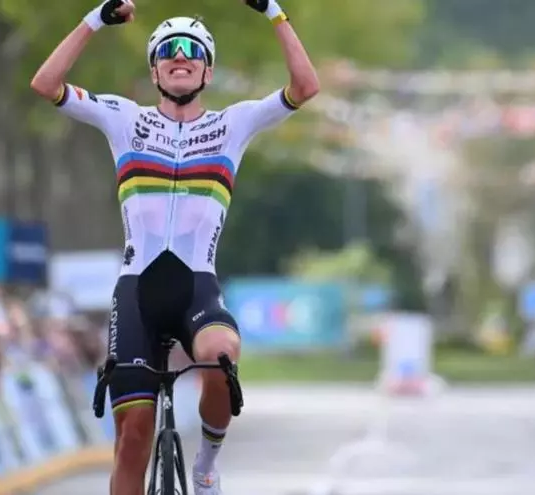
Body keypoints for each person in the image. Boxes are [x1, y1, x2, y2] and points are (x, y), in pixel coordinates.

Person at [32, 0, 318, 493]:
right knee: (132, 437)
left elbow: (305, 87)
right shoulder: (125, 119)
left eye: (192, 50)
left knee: (221, 354)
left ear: (208, 70)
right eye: (167, 50)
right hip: (137, 292)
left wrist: (273, 11)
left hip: (195, 288)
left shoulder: (233, 124)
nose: (179, 55)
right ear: (154, 70)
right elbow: (46, 84)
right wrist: (96, 19)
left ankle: (206, 465)